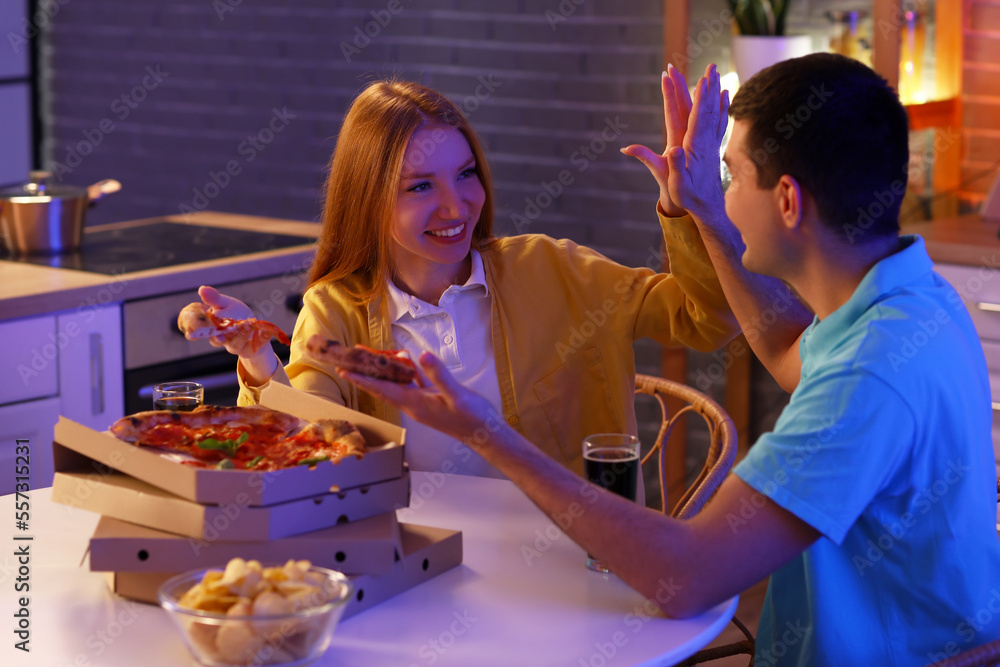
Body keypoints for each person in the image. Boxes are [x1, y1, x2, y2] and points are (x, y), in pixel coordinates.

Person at [337, 55, 1000, 665]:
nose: (720, 190)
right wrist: (706, 213)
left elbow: (683, 578)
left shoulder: (868, 377)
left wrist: (482, 429)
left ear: (790, 201)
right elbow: (786, 347)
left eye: (730, 174)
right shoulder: (913, 298)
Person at [198, 78, 740, 478]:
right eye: (419, 187)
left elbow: (707, 320)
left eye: (464, 174)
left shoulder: (552, 269)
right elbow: (307, 445)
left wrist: (692, 209)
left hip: (569, 555)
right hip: (412, 559)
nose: (457, 206)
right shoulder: (336, 308)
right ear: (367, 201)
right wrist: (258, 361)